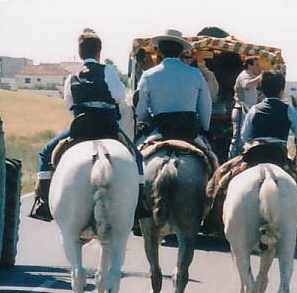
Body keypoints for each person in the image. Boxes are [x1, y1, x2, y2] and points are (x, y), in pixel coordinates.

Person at [30, 29, 145, 222]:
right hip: (108, 125)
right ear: (99, 52)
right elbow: (119, 95)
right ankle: (140, 204)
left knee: (45, 153)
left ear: (80, 52)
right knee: (137, 156)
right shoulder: (108, 70)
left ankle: (43, 202)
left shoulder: (71, 76)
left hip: (81, 125)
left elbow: (69, 103)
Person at [204, 70, 297, 239]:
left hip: (255, 154)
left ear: (262, 91)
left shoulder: (254, 109)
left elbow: (245, 136)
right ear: (281, 91)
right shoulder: (288, 111)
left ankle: (214, 221)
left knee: (221, 177)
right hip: (279, 157)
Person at [133, 28, 215, 165]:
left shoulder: (148, 75)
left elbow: (140, 111)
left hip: (159, 128)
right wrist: (204, 129)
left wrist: (151, 122)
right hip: (190, 129)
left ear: (160, 51)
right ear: (181, 51)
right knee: (214, 162)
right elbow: (206, 107)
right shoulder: (195, 73)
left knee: (135, 161)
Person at [228, 56, 263, 158]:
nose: (259, 67)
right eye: (256, 65)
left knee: (244, 139)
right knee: (238, 139)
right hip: (241, 110)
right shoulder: (244, 75)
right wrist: (260, 77)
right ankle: (233, 160)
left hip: (246, 111)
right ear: (249, 66)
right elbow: (247, 85)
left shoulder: (251, 76)